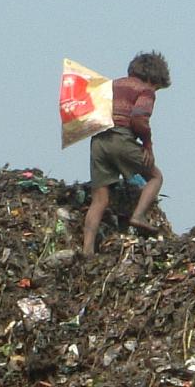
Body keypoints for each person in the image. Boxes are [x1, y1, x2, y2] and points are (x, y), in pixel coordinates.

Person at [83, 51, 171, 255]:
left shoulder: (110, 85)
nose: (155, 90)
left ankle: (87, 250)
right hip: (120, 138)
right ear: (151, 79)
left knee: (100, 200)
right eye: (157, 86)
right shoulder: (145, 90)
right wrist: (147, 144)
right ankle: (138, 216)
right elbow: (139, 118)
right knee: (155, 177)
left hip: (98, 140)